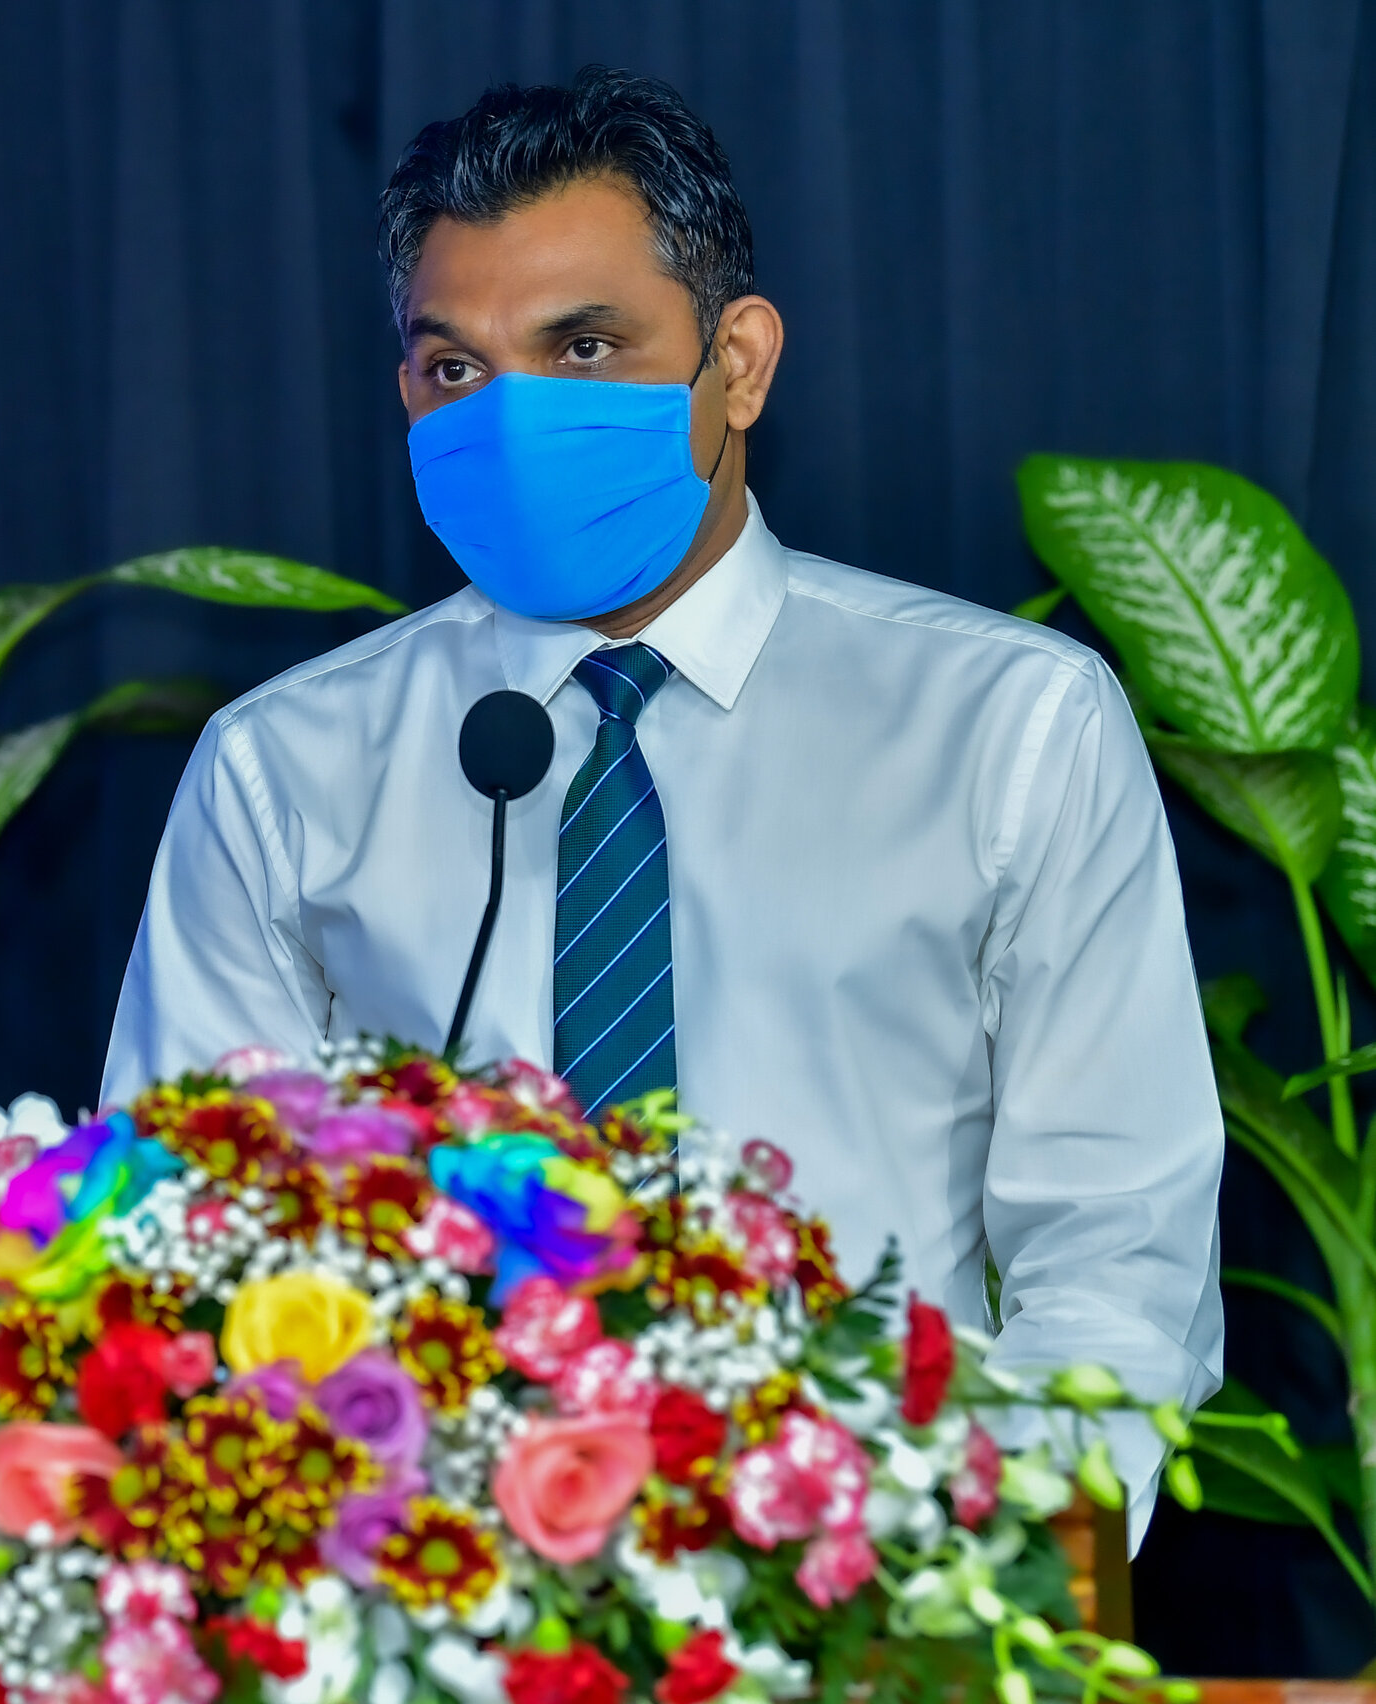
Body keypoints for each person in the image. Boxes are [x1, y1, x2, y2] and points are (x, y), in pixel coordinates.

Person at [100, 67, 1221, 1532]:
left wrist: (985, 1567)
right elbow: (175, 1242)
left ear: (738, 363)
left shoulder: (1005, 727)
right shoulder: (283, 768)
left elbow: (1114, 1243)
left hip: (871, 1582)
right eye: (455, 369)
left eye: (582, 348)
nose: (509, 421)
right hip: (426, 1597)